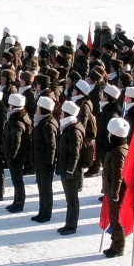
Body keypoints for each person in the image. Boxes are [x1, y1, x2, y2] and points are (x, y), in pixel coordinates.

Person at [56, 100, 84, 235]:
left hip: (71, 171)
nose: (60, 115)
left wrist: (69, 170)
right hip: (67, 168)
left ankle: (72, 226)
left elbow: (75, 153)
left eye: (62, 113)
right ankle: (68, 224)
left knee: (72, 200)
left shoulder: (73, 131)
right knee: (70, 199)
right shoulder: (69, 127)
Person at [29, 96, 58, 221]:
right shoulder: (41, 122)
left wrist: (49, 163)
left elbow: (51, 146)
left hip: (45, 163)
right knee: (41, 188)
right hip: (39, 160)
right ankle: (41, 211)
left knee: (46, 189)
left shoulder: (48, 125)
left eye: (38, 108)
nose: (36, 110)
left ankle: (46, 214)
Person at [3, 93, 32, 213]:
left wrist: (11, 156)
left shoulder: (16, 121)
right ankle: (16, 201)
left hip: (17, 156)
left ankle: (19, 203)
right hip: (18, 155)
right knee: (17, 180)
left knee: (17, 180)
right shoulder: (20, 117)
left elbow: (16, 141)